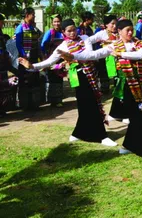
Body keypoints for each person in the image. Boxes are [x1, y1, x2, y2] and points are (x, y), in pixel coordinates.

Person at [68, 19, 142, 164]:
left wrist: (120, 54)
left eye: (132, 29)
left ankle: (128, 145)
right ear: (119, 31)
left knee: (137, 116)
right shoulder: (113, 45)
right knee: (138, 116)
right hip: (127, 85)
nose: (131, 32)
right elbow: (94, 55)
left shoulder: (137, 43)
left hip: (140, 83)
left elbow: (140, 55)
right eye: (127, 30)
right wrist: (74, 56)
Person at [18, 19, 117, 147]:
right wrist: (31, 65)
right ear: (64, 32)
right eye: (68, 31)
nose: (72, 33)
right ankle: (97, 135)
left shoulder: (85, 38)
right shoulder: (63, 46)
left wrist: (74, 56)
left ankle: (82, 133)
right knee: (84, 104)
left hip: (91, 74)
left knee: (93, 103)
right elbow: (49, 62)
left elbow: (89, 55)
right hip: (78, 76)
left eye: (74, 30)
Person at [86, 15, 126, 120]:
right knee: (115, 85)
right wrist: (91, 53)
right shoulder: (102, 33)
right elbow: (88, 41)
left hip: (120, 61)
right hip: (106, 61)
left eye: (115, 23)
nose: (114, 26)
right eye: (112, 24)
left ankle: (117, 113)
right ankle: (116, 113)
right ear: (106, 25)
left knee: (120, 84)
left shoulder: (120, 33)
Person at [15, 7, 44, 110]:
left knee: (34, 81)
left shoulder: (34, 28)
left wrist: (41, 57)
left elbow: (38, 41)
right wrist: (24, 56)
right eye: (33, 14)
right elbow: (18, 43)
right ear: (27, 15)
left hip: (34, 59)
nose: (34, 16)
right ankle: (25, 105)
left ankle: (34, 104)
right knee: (25, 82)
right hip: (25, 60)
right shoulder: (20, 28)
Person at [40, 14, 65, 107]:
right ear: (52, 23)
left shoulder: (63, 33)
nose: (57, 23)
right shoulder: (49, 33)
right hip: (51, 59)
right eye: (55, 21)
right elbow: (42, 45)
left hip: (60, 60)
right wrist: (45, 57)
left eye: (58, 21)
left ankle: (59, 99)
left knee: (59, 78)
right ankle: (51, 100)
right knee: (51, 78)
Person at [0, 13, 18, 117]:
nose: (2, 24)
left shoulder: (1, 34)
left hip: (3, 65)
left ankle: (3, 109)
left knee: (3, 87)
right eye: (1, 21)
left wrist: (6, 56)